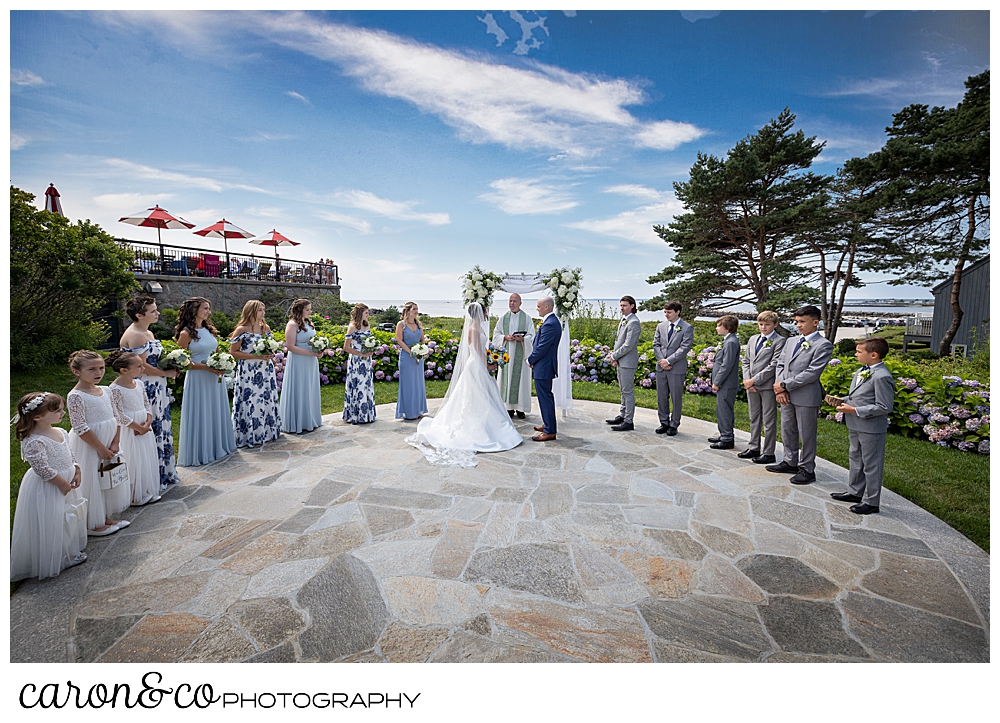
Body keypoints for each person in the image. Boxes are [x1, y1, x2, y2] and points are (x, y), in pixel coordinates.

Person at [407, 302, 522, 463]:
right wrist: (488, 364)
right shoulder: (474, 330)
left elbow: (484, 349)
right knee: (476, 396)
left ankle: (491, 425)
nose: (486, 312)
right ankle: (481, 427)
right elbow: (477, 351)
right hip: (476, 366)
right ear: (479, 313)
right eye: (484, 310)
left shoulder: (480, 327)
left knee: (483, 396)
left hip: (480, 365)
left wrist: (492, 356)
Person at [10, 392, 88, 581]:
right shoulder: (34, 441)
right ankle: (55, 557)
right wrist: (61, 483)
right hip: (50, 486)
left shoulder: (60, 432)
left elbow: (69, 454)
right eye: (57, 411)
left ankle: (68, 549)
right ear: (37, 416)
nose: (63, 413)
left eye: (62, 409)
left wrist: (76, 469)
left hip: (66, 481)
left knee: (68, 516)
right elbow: (42, 469)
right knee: (54, 519)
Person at [767, 305, 834, 485]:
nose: (798, 325)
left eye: (802, 322)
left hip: (806, 395)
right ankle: (790, 461)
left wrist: (784, 385)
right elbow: (781, 364)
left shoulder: (823, 345)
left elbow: (812, 373)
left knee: (807, 433)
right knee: (787, 428)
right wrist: (780, 388)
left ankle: (807, 468)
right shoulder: (791, 341)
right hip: (785, 393)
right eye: (797, 322)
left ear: (815, 322)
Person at [119, 296, 180, 489]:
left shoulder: (147, 332)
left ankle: (164, 471)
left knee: (161, 425)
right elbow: (141, 366)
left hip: (157, 385)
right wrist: (165, 372)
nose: (158, 313)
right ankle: (152, 476)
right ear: (139, 315)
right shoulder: (136, 335)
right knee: (152, 426)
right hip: (147, 387)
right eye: (153, 311)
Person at [67, 350, 129, 535]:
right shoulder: (76, 396)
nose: (98, 372)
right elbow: (80, 427)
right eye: (92, 369)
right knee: (92, 480)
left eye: (101, 368)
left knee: (105, 478)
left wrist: (115, 442)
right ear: (76, 371)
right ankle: (94, 523)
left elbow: (116, 417)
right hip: (90, 445)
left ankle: (104, 516)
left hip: (109, 441)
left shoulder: (107, 390)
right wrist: (100, 448)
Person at [831, 337, 895, 514]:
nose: (855, 354)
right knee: (856, 459)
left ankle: (872, 501)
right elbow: (859, 396)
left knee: (871, 464)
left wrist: (854, 410)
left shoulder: (882, 376)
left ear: (873, 355)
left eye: (859, 352)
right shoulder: (862, 370)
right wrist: (842, 401)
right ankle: (855, 492)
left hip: (872, 427)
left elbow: (884, 406)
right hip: (856, 424)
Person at [176, 297, 237, 466]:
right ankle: (203, 450)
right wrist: (206, 368)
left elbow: (216, 353)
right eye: (206, 308)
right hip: (198, 378)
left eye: (209, 308)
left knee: (215, 409)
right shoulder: (186, 334)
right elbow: (182, 362)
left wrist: (221, 364)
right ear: (194, 310)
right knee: (201, 411)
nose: (209, 312)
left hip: (215, 377)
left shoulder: (209, 330)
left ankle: (218, 446)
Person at [107, 351, 161, 506]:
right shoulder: (115, 389)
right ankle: (133, 495)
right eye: (139, 366)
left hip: (144, 426)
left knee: (145, 458)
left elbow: (146, 403)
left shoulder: (140, 383)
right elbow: (118, 414)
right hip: (130, 429)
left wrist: (148, 422)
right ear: (124, 370)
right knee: (133, 460)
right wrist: (138, 427)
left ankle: (144, 490)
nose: (143, 368)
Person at [230, 300, 281, 446]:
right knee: (251, 400)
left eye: (264, 310)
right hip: (249, 371)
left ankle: (267, 432)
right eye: (260, 310)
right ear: (251, 311)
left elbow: (270, 347)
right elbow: (233, 352)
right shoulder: (241, 329)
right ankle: (249, 434)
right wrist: (255, 356)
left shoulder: (266, 328)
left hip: (265, 369)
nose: (263, 313)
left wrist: (270, 353)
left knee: (266, 398)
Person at [739, 311, 785, 463]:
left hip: (766, 386)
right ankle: (754, 447)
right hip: (751, 385)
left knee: (769, 420)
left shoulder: (779, 341)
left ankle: (769, 452)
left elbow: (774, 365)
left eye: (767, 324)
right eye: (761, 324)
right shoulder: (753, 339)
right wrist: (747, 380)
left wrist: (755, 380)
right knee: (754, 417)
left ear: (775, 325)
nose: (763, 327)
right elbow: (746, 361)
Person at [279, 298, 323, 433]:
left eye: (310, 309)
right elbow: (290, 347)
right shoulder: (292, 324)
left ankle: (310, 418)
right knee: (300, 387)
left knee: (309, 388)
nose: (310, 312)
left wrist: (319, 349)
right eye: (307, 309)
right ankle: (298, 422)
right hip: (298, 361)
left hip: (310, 361)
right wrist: (311, 353)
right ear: (300, 310)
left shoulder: (308, 323)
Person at [652, 300, 694, 436]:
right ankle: (664, 422)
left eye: (669, 312)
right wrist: (662, 361)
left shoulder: (687, 328)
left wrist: (669, 361)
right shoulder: (660, 326)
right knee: (662, 396)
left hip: (676, 368)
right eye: (665, 312)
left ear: (678, 312)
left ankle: (674, 424)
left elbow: (684, 348)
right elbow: (656, 344)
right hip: (661, 367)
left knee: (676, 397)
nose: (666, 315)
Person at [492, 293, 534, 420]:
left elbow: (532, 336)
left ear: (520, 303)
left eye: (515, 301)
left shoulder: (527, 318)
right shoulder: (503, 318)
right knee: (507, 380)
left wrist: (522, 339)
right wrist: (505, 337)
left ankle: (521, 409)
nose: (512, 303)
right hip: (507, 356)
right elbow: (495, 335)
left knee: (520, 381)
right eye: (510, 301)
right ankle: (508, 408)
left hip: (520, 357)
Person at [606, 295, 642, 431]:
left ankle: (628, 421)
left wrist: (614, 355)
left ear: (632, 306)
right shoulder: (625, 319)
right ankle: (622, 414)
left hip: (627, 361)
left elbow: (628, 345)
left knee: (627, 391)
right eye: (621, 305)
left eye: (624, 305)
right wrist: (616, 358)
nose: (621, 308)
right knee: (623, 390)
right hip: (621, 360)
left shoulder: (634, 322)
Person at [528, 296, 561, 442]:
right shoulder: (550, 321)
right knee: (545, 397)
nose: (537, 308)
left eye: (539, 306)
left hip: (544, 366)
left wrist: (530, 359)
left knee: (545, 398)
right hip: (543, 365)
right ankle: (547, 424)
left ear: (547, 307)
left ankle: (550, 431)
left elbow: (542, 347)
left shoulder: (550, 324)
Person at [708, 315, 741, 450]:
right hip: (724, 383)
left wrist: (717, 381)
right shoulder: (728, 340)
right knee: (722, 409)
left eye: (719, 325)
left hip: (726, 383)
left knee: (725, 410)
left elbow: (727, 365)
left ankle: (727, 438)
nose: (716, 328)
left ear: (727, 327)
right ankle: (724, 433)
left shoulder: (731, 342)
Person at [343, 303, 376, 424]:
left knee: (366, 385)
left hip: (366, 361)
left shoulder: (367, 325)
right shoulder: (352, 327)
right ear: (360, 313)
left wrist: (371, 349)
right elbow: (346, 347)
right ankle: (356, 415)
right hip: (357, 361)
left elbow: (369, 341)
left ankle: (367, 414)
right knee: (358, 385)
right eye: (366, 312)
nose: (368, 315)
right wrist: (361, 354)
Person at [395, 301, 428, 420]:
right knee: (408, 384)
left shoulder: (419, 324)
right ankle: (409, 413)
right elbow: (399, 340)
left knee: (418, 384)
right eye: (414, 309)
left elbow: (422, 340)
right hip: (406, 358)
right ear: (408, 311)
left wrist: (422, 351)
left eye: (417, 309)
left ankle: (419, 410)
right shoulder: (401, 325)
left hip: (418, 359)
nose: (416, 311)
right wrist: (411, 352)